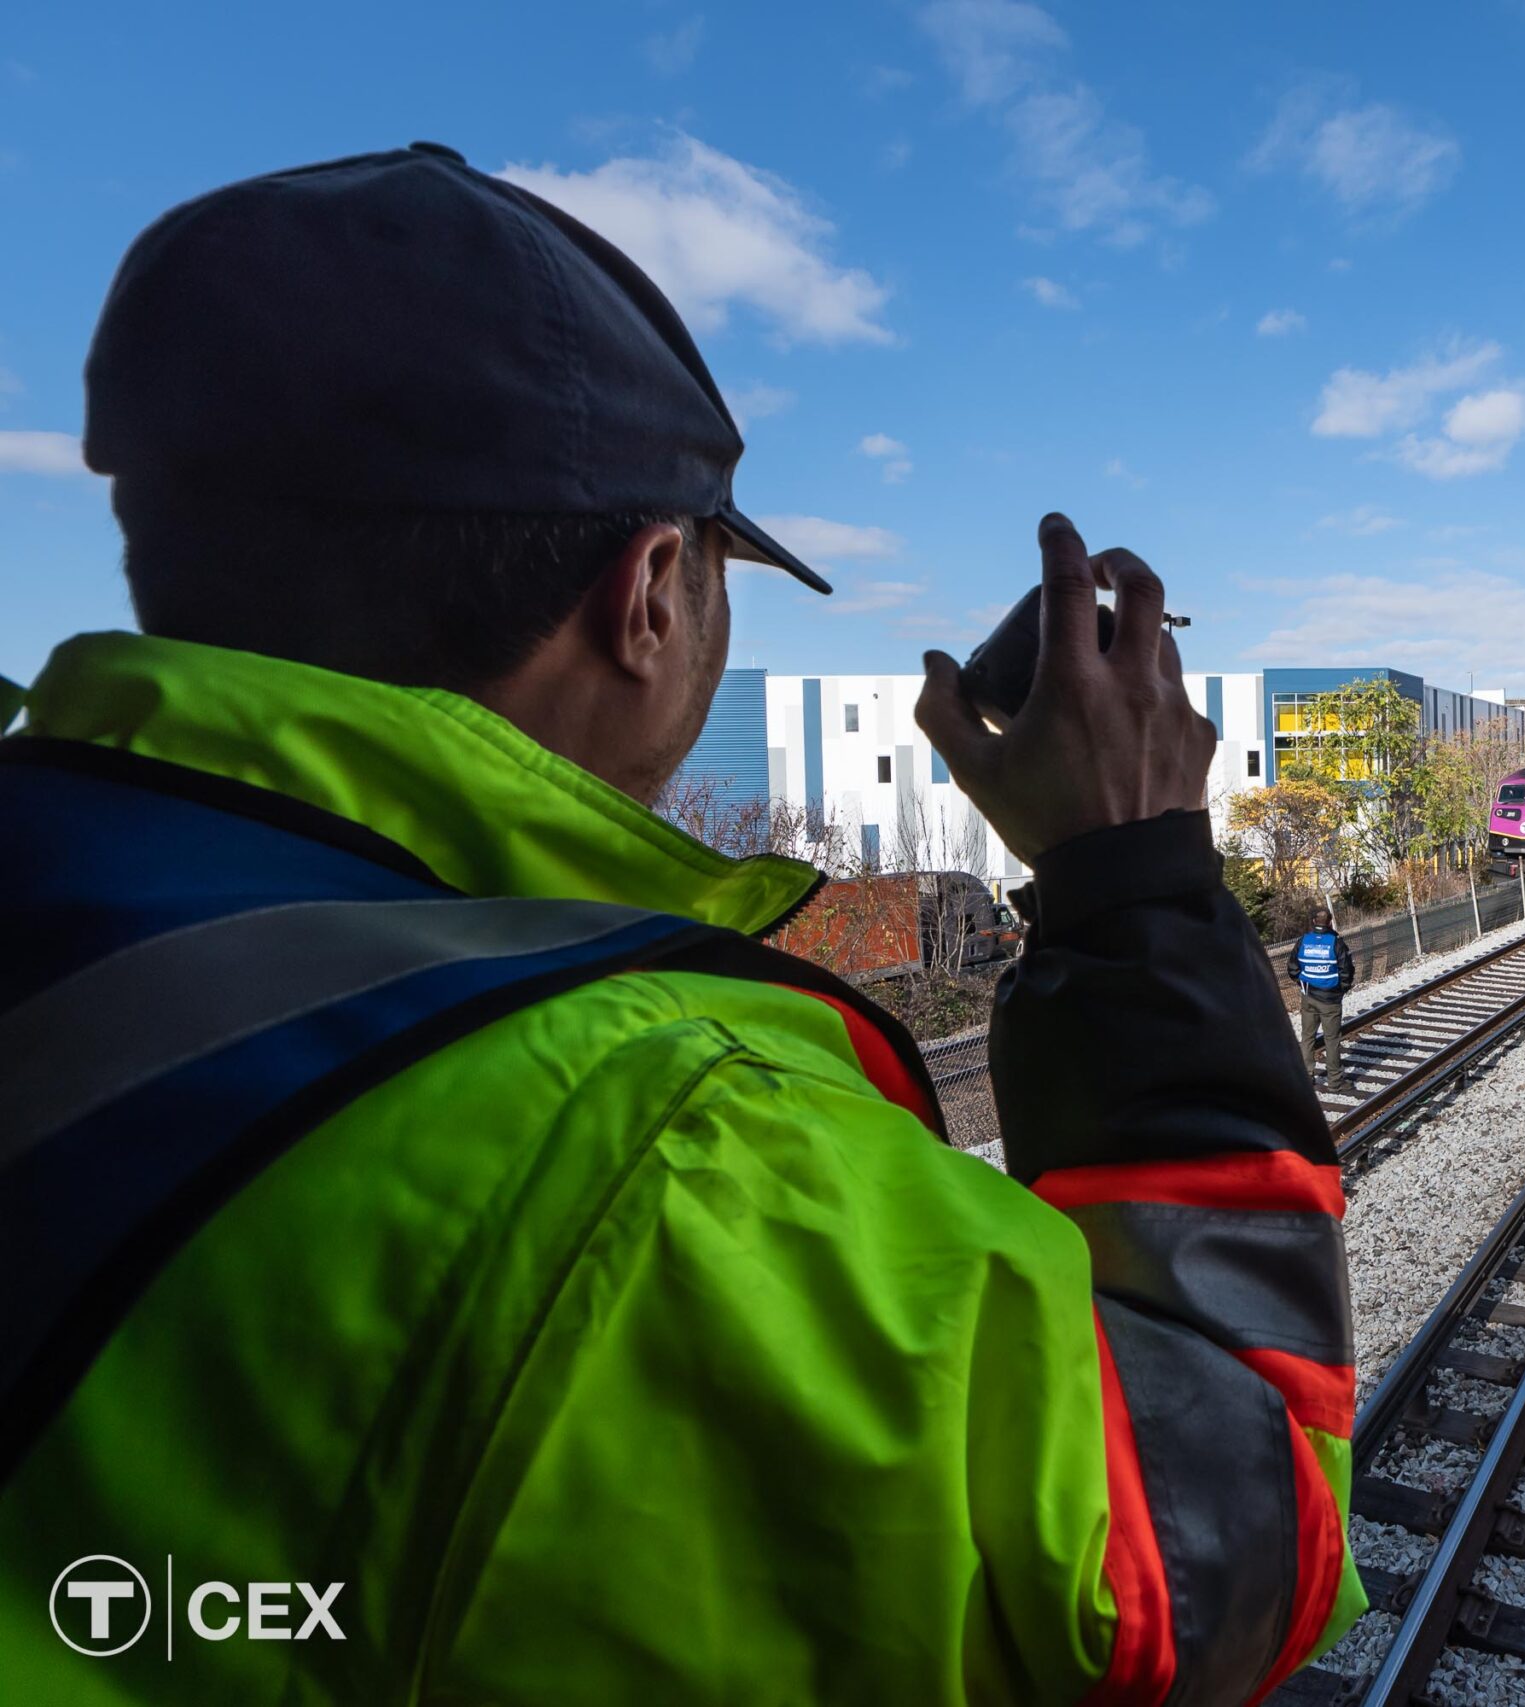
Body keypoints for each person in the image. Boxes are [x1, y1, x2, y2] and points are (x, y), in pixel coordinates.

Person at [0, 145, 1360, 1703]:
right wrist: (1135, 892)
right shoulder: (676, 1155)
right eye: (721, 570)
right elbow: (1226, 1540)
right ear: (649, 590)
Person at [1292, 907, 1356, 1083]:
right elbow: (1347, 971)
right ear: (1330, 921)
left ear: (1313, 921)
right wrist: (1340, 990)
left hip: (1308, 997)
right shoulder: (1336, 942)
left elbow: (1292, 968)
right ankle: (1335, 1081)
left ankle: (1307, 1076)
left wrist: (1304, 983)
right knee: (1332, 1039)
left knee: (1307, 1038)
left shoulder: (1303, 941)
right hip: (1330, 999)